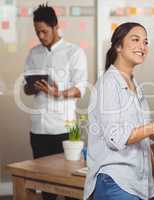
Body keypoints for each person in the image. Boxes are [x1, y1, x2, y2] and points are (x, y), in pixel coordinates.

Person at [84, 22, 154, 200]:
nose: (142, 47)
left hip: (142, 184)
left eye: (145, 42)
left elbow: (142, 139)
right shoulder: (108, 84)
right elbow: (116, 138)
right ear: (118, 46)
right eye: (135, 39)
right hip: (115, 182)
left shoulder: (135, 85)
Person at [23, 4, 87, 200]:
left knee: (70, 184)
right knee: (46, 185)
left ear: (55, 26)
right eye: (37, 32)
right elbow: (26, 88)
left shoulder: (74, 52)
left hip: (64, 128)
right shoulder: (34, 53)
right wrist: (33, 86)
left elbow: (80, 89)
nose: (41, 36)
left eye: (44, 31)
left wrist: (57, 93)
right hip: (39, 129)